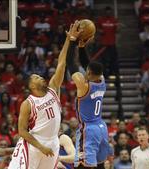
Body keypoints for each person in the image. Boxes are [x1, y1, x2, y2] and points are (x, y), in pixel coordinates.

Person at [8, 21, 79, 169]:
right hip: (33, 144)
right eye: (36, 77)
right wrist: (41, 147)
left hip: (52, 141)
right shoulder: (28, 103)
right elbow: (22, 131)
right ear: (32, 86)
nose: (40, 77)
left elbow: (61, 63)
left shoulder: (53, 89)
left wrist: (69, 40)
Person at [66, 22, 113, 168]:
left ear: (89, 73)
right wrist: (81, 47)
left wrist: (72, 41)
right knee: (99, 164)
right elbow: (88, 63)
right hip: (101, 127)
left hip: (88, 129)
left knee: (82, 165)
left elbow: (70, 64)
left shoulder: (83, 85)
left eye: (87, 71)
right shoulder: (102, 81)